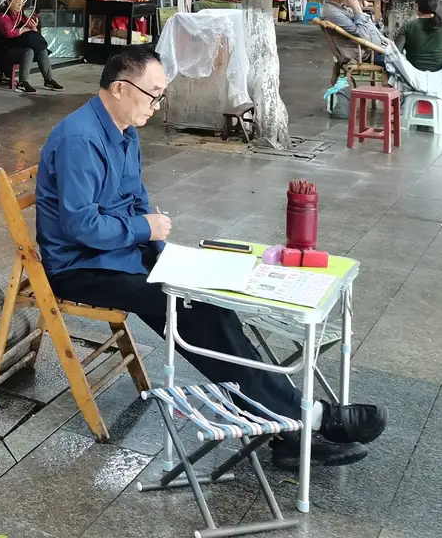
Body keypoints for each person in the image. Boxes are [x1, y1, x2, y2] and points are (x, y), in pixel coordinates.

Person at [37, 47, 386, 469]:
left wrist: (160, 246)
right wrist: (147, 229)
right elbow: (81, 228)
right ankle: (302, 420)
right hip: (84, 266)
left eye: (160, 94)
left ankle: (284, 421)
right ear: (118, 88)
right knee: (189, 313)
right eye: (152, 94)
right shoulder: (81, 139)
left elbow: (134, 197)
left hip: (122, 252)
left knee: (211, 304)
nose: (156, 104)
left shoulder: (123, 129)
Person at [0, 0, 63, 92]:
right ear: (8, 1)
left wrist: (33, 27)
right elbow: (9, 33)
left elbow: (34, 34)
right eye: (16, 2)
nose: (19, 5)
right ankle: (23, 83)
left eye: (21, 2)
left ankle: (48, 80)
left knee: (42, 50)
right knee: (28, 51)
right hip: (2, 51)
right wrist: (25, 29)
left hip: (16, 48)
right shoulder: (2, 17)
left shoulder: (20, 16)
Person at [396, 0, 442, 72]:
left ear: (416, 6)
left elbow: (396, 52)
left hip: (413, 74)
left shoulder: (407, 26)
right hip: (440, 74)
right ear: (436, 6)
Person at [321, 0, 388, 47]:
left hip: (378, 44)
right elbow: (363, 35)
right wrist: (357, 9)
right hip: (369, 51)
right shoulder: (333, 14)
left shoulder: (338, 6)